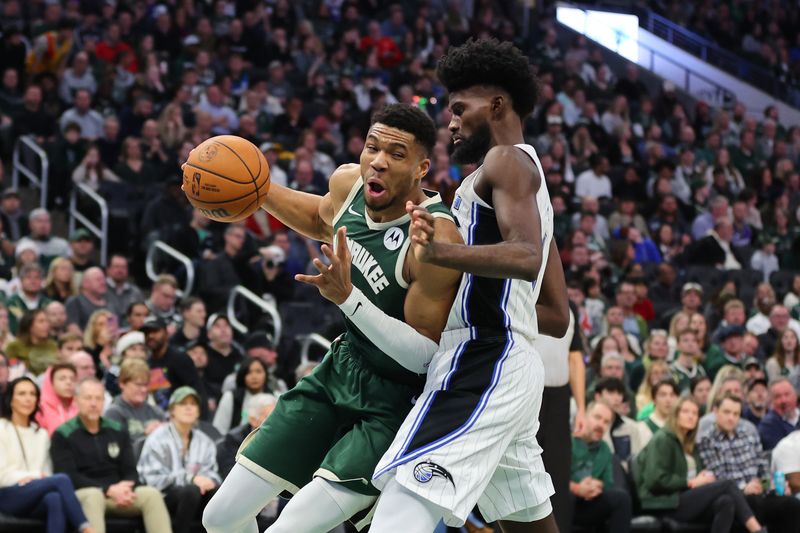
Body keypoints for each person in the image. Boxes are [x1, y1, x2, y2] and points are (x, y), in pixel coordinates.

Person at [202, 103, 463, 533]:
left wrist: (349, 299)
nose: (378, 161)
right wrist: (256, 189)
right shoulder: (349, 184)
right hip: (341, 368)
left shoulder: (434, 238)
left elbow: (422, 356)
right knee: (221, 517)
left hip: (396, 402)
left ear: (421, 169)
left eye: (396, 154)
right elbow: (321, 218)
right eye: (372, 147)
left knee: (289, 528)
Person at [371, 39, 569, 532]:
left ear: (497, 105)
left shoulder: (506, 162)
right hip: (508, 361)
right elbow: (556, 313)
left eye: (460, 109)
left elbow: (525, 257)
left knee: (402, 500)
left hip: (485, 360)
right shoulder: (519, 180)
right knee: (528, 525)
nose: (451, 123)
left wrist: (441, 254)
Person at [50, 378, 172, 533]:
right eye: (88, 398)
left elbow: (131, 472)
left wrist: (124, 488)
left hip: (120, 494)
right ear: (76, 401)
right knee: (93, 496)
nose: (93, 403)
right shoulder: (63, 434)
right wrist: (107, 489)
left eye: (98, 398)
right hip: (85, 493)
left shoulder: (117, 430)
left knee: (151, 495)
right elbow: (69, 477)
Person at [635, 396, 766, 533]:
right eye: (685, 412)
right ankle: (757, 530)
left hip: (684, 498)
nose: (691, 416)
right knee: (727, 484)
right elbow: (655, 480)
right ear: (675, 414)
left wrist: (702, 477)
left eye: (694, 413)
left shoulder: (689, 444)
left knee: (725, 501)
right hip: (665, 503)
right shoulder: (662, 439)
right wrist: (691, 482)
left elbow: (696, 476)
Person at [0, 377, 95, 533]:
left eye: (32, 394)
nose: (28, 399)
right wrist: (34, 476)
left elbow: (48, 473)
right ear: (10, 399)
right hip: (7, 495)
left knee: (54, 499)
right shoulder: (2, 428)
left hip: (34, 493)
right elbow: (1, 476)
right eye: (22, 394)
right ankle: (86, 528)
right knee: (62, 479)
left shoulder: (41, 434)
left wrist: (35, 479)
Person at [698, 394, 800, 533]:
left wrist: (771, 485)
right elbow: (718, 478)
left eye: (736, 414)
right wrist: (744, 488)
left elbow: (763, 469)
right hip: (736, 497)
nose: (731, 418)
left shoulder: (749, 435)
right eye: (727, 412)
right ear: (716, 411)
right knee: (750, 502)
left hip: (760, 493)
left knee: (791, 504)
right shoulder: (707, 440)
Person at [137, 387, 220, 533]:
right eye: (183, 403)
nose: (188, 407)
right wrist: (191, 478)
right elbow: (151, 479)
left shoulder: (205, 441)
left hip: (197, 497)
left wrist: (209, 481)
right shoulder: (157, 438)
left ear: (198, 411)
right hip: (163, 499)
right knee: (190, 491)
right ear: (172, 410)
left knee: (215, 493)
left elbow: (213, 472)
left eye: (193, 404)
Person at [570, 401, 632, 533]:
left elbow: (608, 483)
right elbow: (553, 479)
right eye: (597, 417)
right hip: (566, 501)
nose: (601, 425)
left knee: (621, 498)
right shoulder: (568, 441)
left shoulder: (604, 448)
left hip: (589, 502)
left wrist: (596, 485)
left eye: (606, 422)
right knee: (566, 496)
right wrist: (577, 488)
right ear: (585, 416)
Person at [140, 316, 204, 412]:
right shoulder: (148, 363)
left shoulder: (179, 358)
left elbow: (196, 389)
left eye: (155, 331)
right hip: (161, 417)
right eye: (147, 333)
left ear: (166, 333)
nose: (150, 336)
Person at [216, 393, 277, 479]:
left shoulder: (282, 437)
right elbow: (231, 474)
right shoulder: (234, 439)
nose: (276, 421)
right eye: (269, 416)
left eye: (277, 415)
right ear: (253, 420)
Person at [104, 358, 165, 444]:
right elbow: (116, 451)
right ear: (122, 384)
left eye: (146, 384)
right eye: (138, 385)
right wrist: (146, 435)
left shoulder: (156, 412)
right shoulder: (113, 413)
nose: (144, 389)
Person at [212, 357, 271, 435]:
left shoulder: (274, 398)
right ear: (242, 376)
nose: (254, 376)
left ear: (266, 374)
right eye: (249, 372)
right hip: (233, 444)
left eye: (258, 371)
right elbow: (218, 429)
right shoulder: (231, 397)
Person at [6, 309, 59, 376]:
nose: (46, 325)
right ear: (29, 325)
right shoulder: (14, 346)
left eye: (47, 321)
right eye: (41, 321)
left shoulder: (53, 346)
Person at [36, 362, 79, 435]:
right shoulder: (40, 409)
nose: (68, 382)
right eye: (62, 379)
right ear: (51, 383)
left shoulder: (80, 408)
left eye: (72, 379)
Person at [758, 377, 800, 451]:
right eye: (778, 396)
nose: (784, 400)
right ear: (771, 401)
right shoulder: (768, 425)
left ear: (795, 395)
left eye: (787, 394)